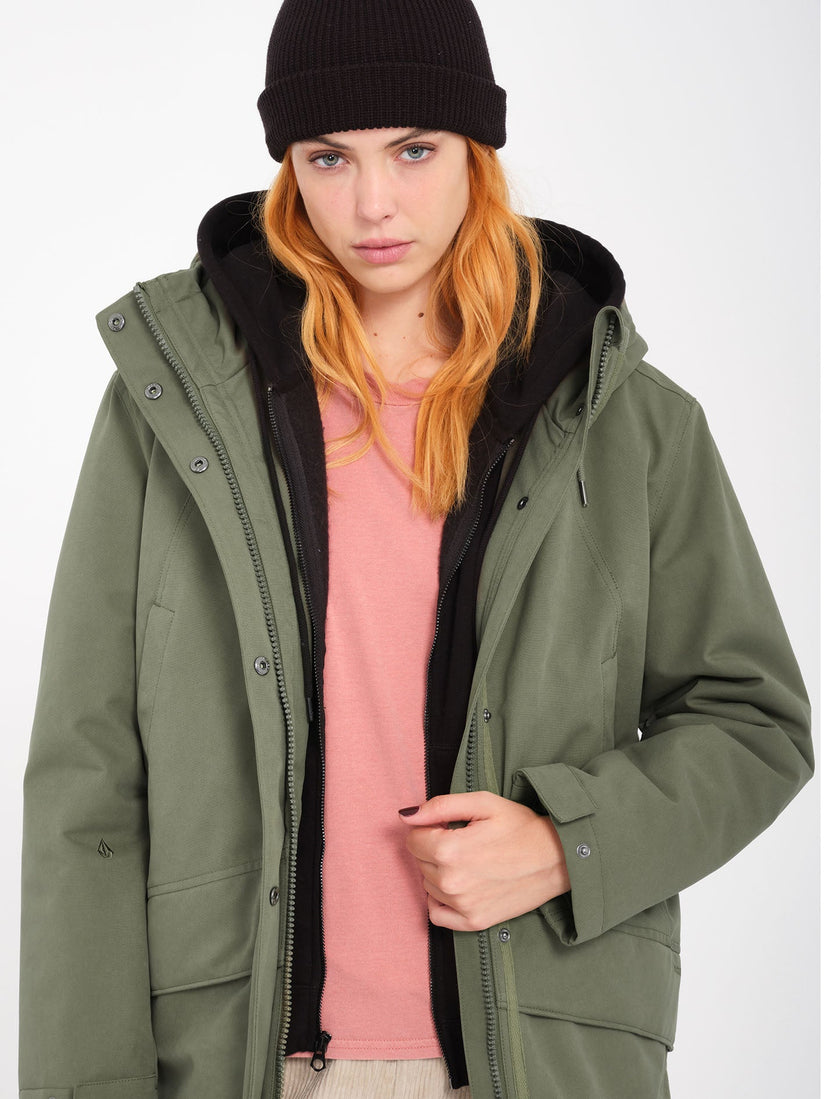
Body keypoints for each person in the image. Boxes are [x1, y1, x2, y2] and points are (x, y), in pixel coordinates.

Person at [18, 0, 813, 1097]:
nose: (372, 204)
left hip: (539, 1058)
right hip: (245, 1062)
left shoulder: (627, 421)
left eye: (414, 150)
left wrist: (567, 840)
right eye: (327, 158)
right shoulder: (176, 409)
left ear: (477, 149)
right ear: (287, 169)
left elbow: (753, 721)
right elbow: (88, 784)